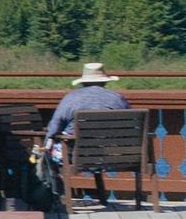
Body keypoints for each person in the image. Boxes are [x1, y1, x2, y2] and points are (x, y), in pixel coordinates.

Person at [43, 61, 136, 197]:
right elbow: (130, 125)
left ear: (83, 82)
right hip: (111, 155)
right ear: (105, 82)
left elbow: (55, 126)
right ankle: (95, 193)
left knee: (49, 153)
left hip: (75, 154)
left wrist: (47, 142)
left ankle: (59, 193)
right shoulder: (117, 98)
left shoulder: (71, 98)